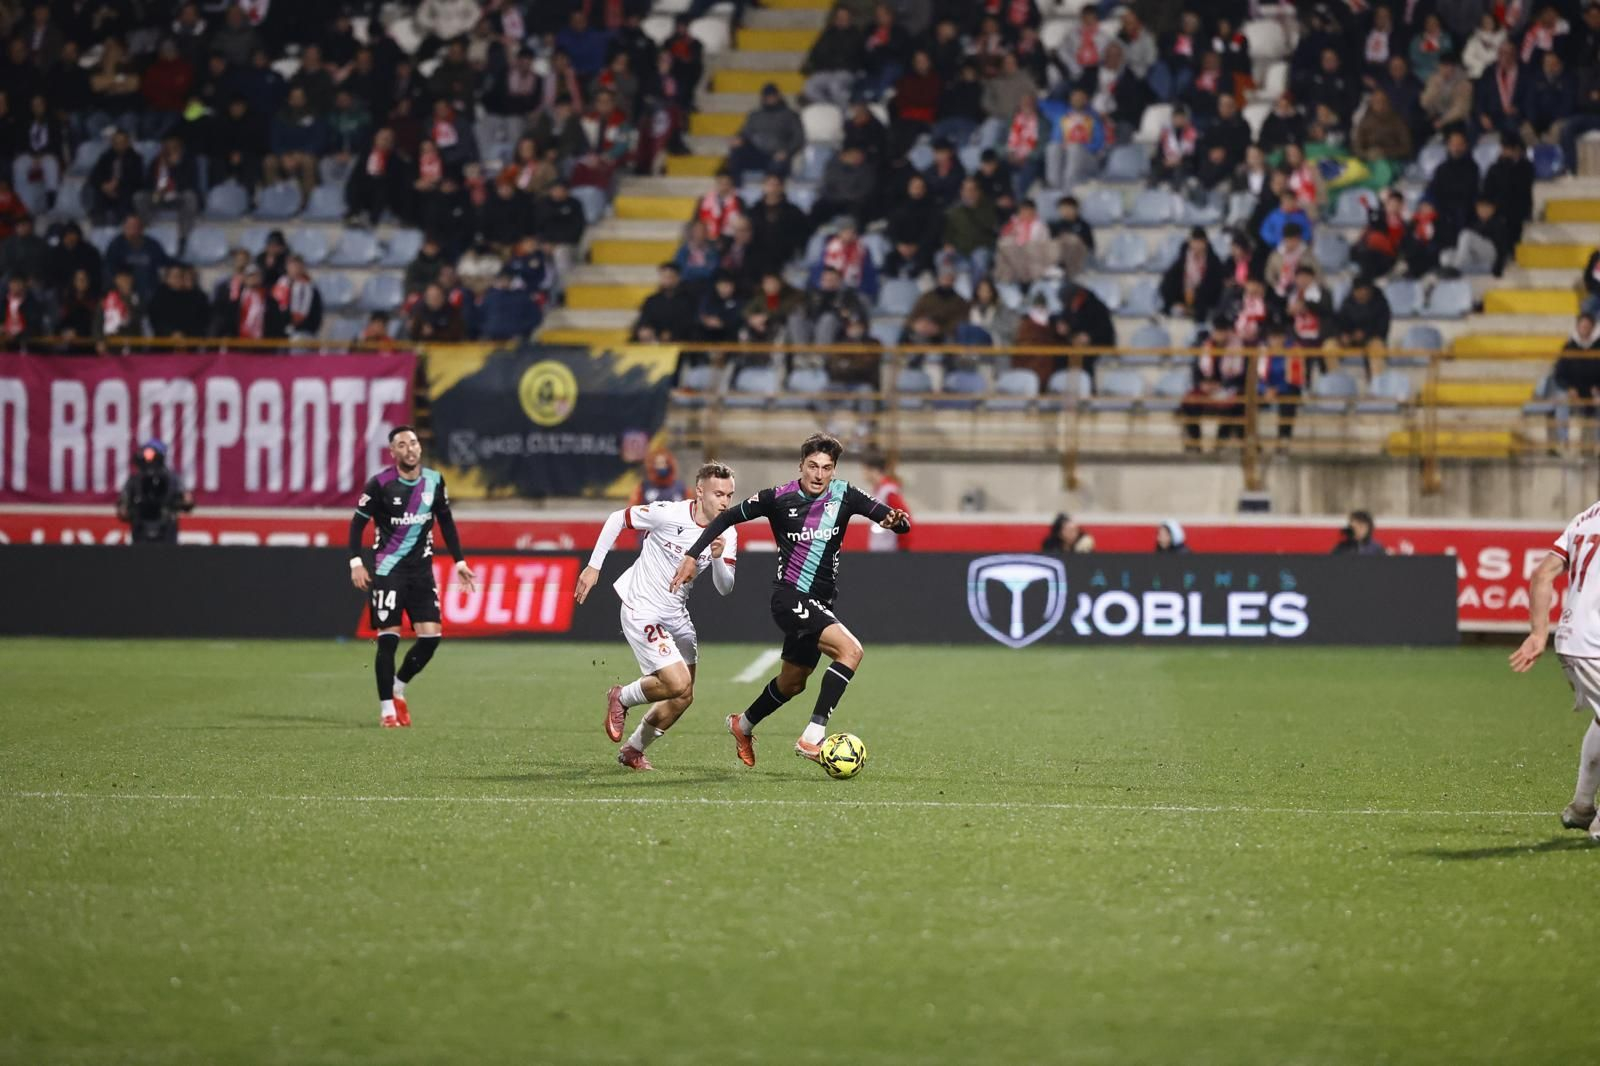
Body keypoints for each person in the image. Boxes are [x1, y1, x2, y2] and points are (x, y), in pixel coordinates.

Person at [668, 433, 911, 766]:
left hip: (820, 602)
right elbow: (725, 518)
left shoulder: (845, 494)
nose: (819, 474)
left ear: (834, 470)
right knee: (851, 651)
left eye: (826, 468)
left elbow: (892, 520)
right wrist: (692, 554)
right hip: (790, 597)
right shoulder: (778, 498)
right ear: (801, 466)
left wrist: (898, 522)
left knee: (793, 682)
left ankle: (743, 724)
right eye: (812, 466)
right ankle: (812, 737)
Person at [575, 462, 740, 771]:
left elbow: (725, 587)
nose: (725, 502)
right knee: (677, 682)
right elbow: (617, 519)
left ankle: (633, 750)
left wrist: (718, 557)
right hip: (642, 607)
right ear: (700, 491)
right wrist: (594, 566)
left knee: (683, 695)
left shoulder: (727, 531)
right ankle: (621, 696)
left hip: (676, 614)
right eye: (718, 494)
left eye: (729, 495)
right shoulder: (669, 513)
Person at [348, 425, 477, 729]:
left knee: (431, 638)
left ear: (420, 447)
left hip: (421, 573)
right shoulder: (380, 484)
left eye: (414, 443)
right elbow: (357, 524)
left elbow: (446, 521)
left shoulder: (434, 481)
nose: (410, 449)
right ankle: (386, 711)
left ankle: (398, 686)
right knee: (388, 641)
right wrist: (356, 562)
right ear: (393, 452)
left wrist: (459, 561)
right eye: (402, 445)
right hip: (388, 572)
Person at [1511, 495, 1600, 840]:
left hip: (1571, 639)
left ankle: (1582, 807)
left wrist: (1538, 633)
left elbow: (1542, 573)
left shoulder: (1584, 519)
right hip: (1594, 643)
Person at [116, 440, 194, 543]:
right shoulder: (135, 480)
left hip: (165, 525)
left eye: (150, 454)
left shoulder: (172, 478)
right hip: (141, 525)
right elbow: (123, 504)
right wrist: (126, 509)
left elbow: (187, 500)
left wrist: (181, 502)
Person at [862, 452, 910, 553]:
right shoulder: (878, 491)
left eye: (865, 470)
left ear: (874, 470)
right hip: (880, 549)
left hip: (889, 550)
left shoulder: (888, 492)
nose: (863, 474)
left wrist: (903, 549)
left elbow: (904, 519)